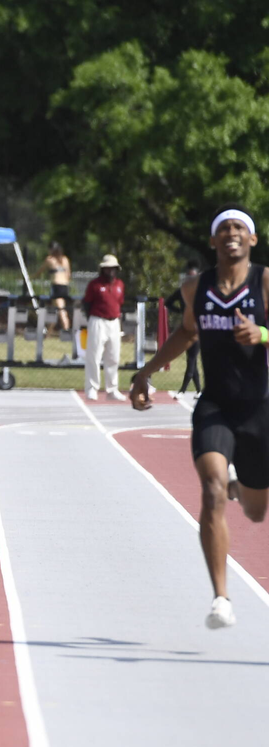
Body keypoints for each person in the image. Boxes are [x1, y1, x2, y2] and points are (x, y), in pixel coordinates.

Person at [130, 207, 266, 629]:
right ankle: (221, 599)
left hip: (260, 408)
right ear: (212, 241)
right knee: (210, 490)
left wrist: (262, 334)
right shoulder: (195, 288)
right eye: (223, 228)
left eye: (239, 227)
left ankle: (241, 488)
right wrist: (145, 372)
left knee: (256, 511)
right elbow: (187, 332)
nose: (231, 233)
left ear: (252, 239)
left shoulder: (264, 282)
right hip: (215, 406)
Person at [83, 254, 126, 401]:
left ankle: (112, 389)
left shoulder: (120, 284)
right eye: (107, 268)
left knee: (113, 357)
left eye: (113, 268)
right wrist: (92, 319)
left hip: (114, 322)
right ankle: (92, 388)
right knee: (94, 356)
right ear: (103, 269)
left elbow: (119, 302)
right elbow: (87, 304)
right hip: (98, 320)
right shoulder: (94, 284)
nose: (110, 271)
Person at [166, 261, 203, 394]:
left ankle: (183, 389)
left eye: (193, 277)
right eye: (188, 277)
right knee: (191, 359)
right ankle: (198, 390)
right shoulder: (183, 291)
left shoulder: (202, 292)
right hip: (186, 327)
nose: (190, 280)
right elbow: (168, 302)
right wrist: (181, 311)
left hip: (197, 329)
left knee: (192, 359)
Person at [42, 241, 73, 334]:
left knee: (61, 310)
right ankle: (48, 333)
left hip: (57, 286)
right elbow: (68, 274)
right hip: (65, 286)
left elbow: (40, 270)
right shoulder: (65, 259)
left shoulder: (50, 259)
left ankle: (66, 330)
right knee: (55, 310)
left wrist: (30, 277)